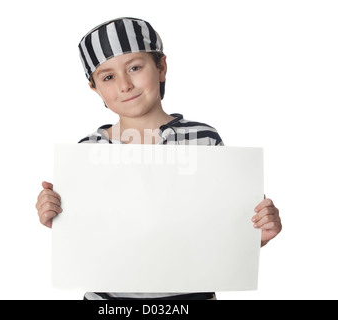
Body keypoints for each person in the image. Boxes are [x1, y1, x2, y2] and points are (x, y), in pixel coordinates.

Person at [35, 17, 282, 300]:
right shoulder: (87, 152)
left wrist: (255, 235)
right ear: (95, 88)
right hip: (108, 301)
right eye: (108, 77)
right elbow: (85, 237)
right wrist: (57, 215)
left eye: (135, 68)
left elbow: (222, 228)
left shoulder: (204, 140)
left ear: (161, 67)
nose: (125, 85)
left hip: (191, 298)